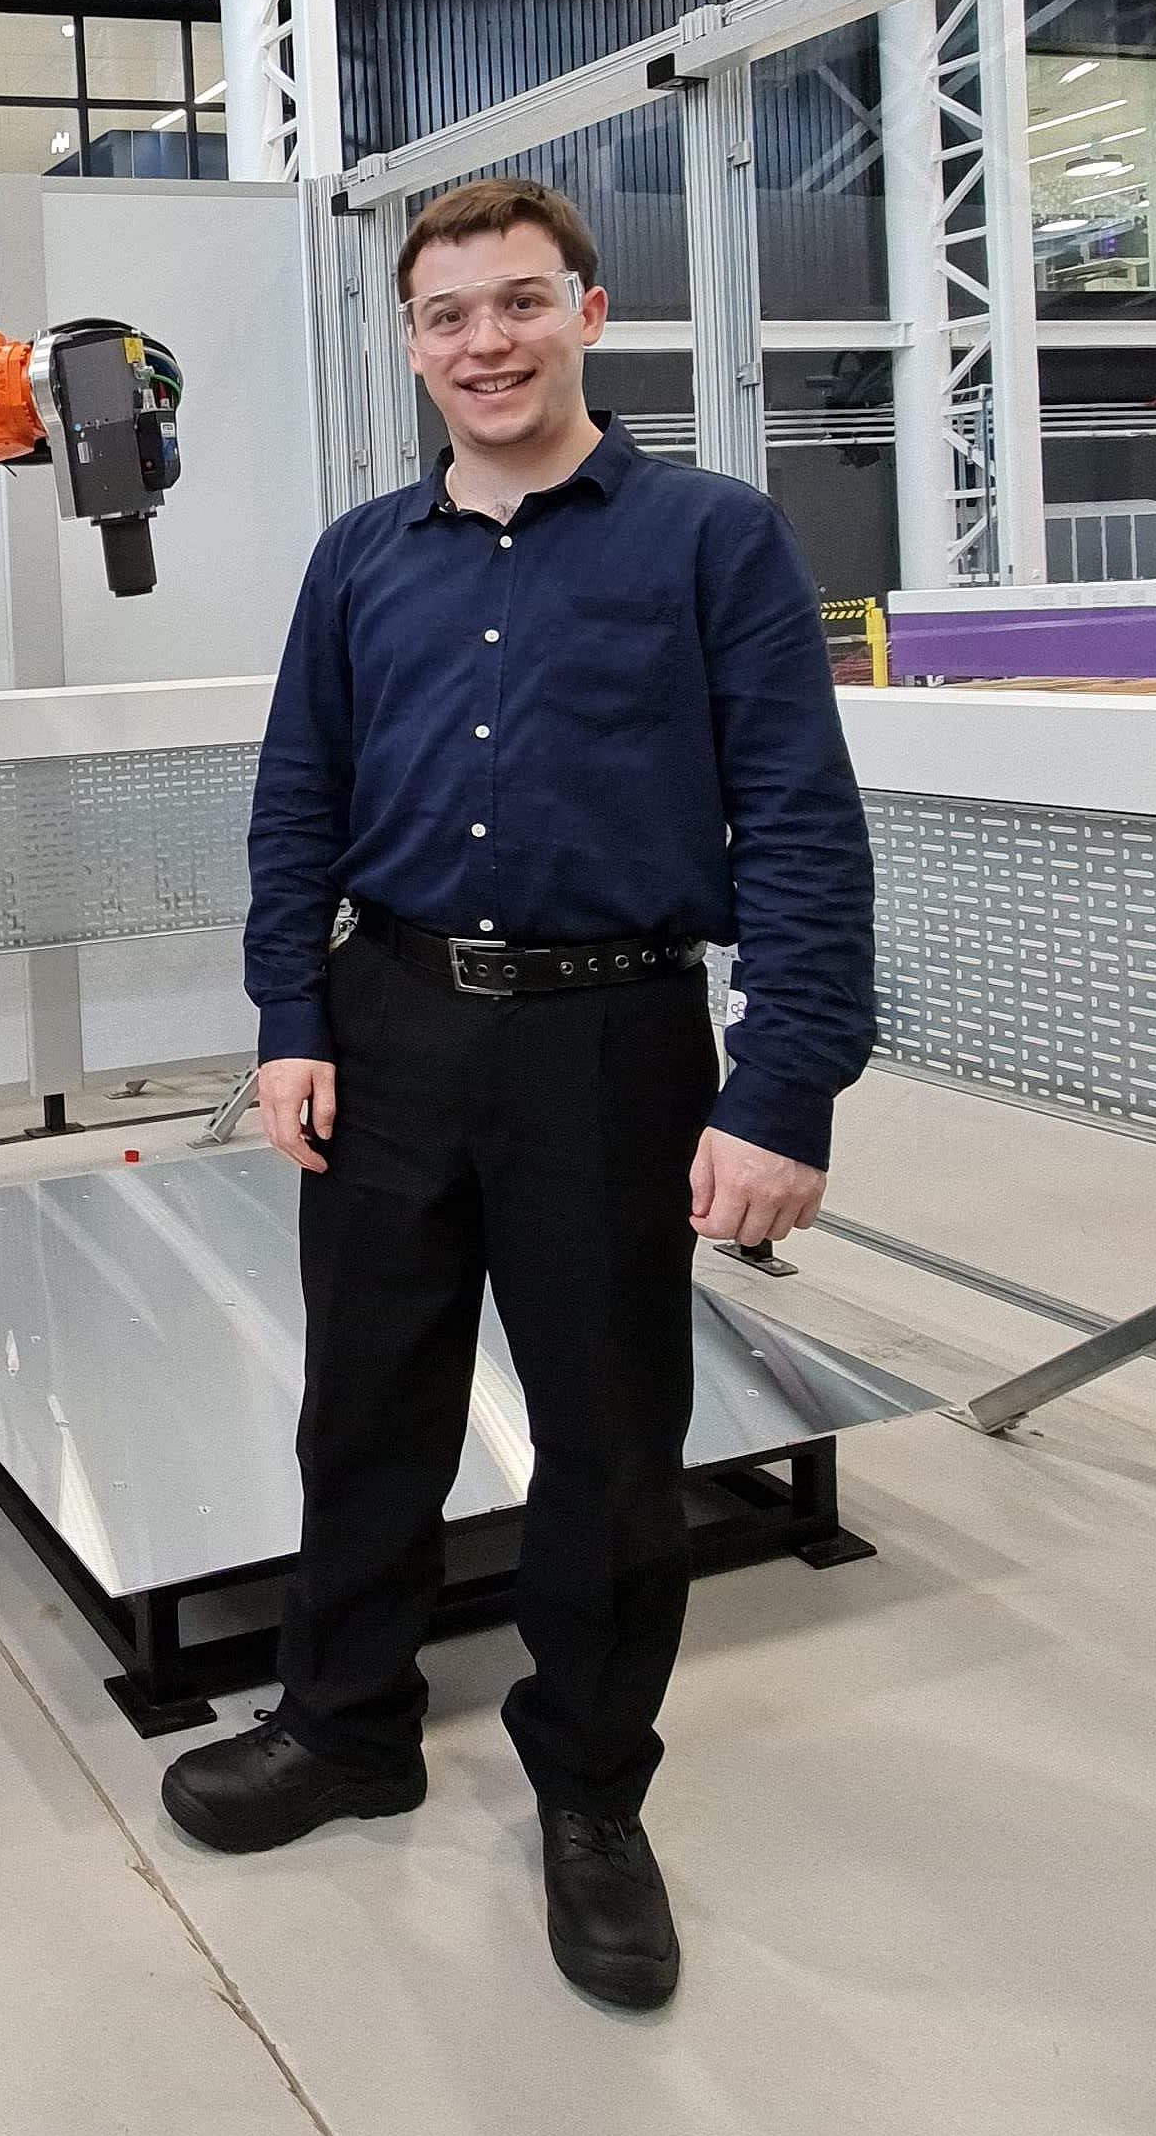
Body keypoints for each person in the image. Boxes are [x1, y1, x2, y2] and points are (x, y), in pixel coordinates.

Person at [164, 176, 874, 2012]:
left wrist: (785, 1079)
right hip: (386, 1017)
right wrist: (285, 1013)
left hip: (609, 1040)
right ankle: (345, 1724)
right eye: (448, 315)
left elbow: (801, 819)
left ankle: (588, 1791)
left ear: (588, 309)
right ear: (410, 345)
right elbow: (295, 799)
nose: (483, 341)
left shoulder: (712, 540)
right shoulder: (361, 558)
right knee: (368, 1402)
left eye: (517, 303)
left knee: (613, 1437)